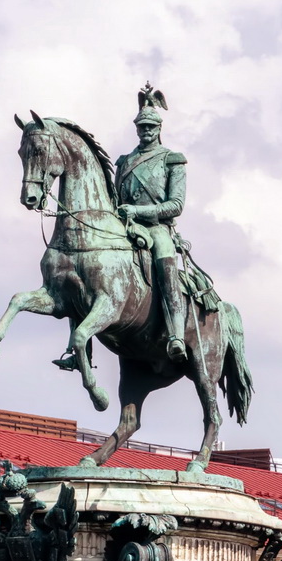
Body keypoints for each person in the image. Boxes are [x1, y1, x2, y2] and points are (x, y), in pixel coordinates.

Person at [114, 84, 188, 363]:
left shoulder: (172, 160)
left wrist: (137, 210)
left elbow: (176, 205)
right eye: (141, 127)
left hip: (157, 228)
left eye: (150, 126)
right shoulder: (124, 161)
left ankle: (176, 333)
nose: (146, 131)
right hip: (125, 227)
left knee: (165, 264)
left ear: (159, 128)